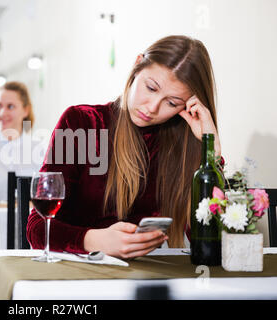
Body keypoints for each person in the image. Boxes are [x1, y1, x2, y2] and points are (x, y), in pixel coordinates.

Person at [27, 35, 223, 259]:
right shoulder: (81, 123)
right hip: (77, 275)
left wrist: (211, 148)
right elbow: (37, 229)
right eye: (150, 88)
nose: (152, 108)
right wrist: (93, 240)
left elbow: (211, 236)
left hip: (146, 279)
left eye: (171, 103)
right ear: (137, 65)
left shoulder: (182, 146)